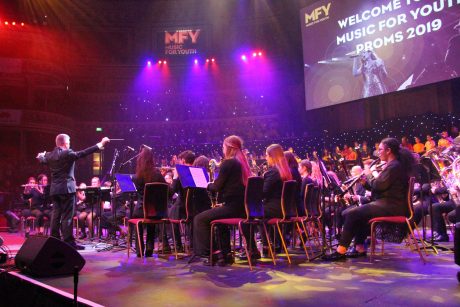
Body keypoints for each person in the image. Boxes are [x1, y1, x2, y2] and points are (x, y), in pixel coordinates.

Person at [324, 137, 414, 260]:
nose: (378, 152)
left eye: (380, 149)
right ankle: (359, 247)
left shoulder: (394, 166)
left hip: (392, 206)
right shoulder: (393, 165)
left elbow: (378, 185)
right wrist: (365, 183)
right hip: (389, 204)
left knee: (352, 214)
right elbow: (378, 188)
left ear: (388, 151)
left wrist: (368, 174)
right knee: (359, 215)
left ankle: (340, 251)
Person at [36, 134, 110, 250]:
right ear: (65, 143)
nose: (70, 143)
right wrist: (100, 144)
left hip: (55, 190)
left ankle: (54, 240)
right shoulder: (67, 153)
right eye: (69, 141)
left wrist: (41, 155)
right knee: (67, 217)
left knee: (55, 215)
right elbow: (83, 153)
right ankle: (69, 243)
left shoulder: (50, 155)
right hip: (66, 189)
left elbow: (42, 159)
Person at [193, 135, 251, 265]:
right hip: (243, 207)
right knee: (219, 222)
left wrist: (207, 184)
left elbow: (216, 187)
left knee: (199, 219)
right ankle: (226, 254)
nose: (222, 149)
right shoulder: (242, 163)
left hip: (233, 208)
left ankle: (213, 254)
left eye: (223, 146)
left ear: (229, 148)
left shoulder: (229, 162)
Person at [131, 146, 167, 257]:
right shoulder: (158, 174)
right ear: (152, 159)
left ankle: (139, 250)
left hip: (141, 210)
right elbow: (167, 191)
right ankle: (149, 249)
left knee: (136, 218)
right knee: (150, 215)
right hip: (156, 212)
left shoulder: (136, 177)